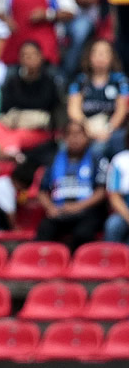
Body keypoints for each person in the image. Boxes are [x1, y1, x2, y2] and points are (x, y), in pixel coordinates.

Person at [37, 120, 108, 250]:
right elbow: (42, 191)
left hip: (87, 211)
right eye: (70, 134)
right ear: (64, 138)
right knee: (44, 231)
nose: (74, 138)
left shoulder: (97, 159)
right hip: (59, 211)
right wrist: (50, 208)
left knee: (83, 234)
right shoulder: (53, 159)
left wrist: (77, 207)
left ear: (87, 137)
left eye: (79, 134)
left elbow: (101, 192)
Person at [0, 41, 60, 160]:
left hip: (37, 130)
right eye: (25, 55)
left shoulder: (49, 82)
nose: (29, 58)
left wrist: (20, 115)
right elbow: (6, 107)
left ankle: (5, 152)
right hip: (12, 126)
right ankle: (11, 152)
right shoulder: (12, 82)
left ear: (41, 57)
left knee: (6, 142)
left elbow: (46, 106)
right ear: (19, 59)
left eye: (32, 54)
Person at [67, 39, 129, 159]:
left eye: (105, 53)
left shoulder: (120, 81)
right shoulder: (80, 81)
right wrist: (88, 129)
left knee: (103, 147)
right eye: (96, 53)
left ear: (112, 57)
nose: (100, 57)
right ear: (89, 57)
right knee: (68, 144)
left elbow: (122, 110)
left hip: (111, 131)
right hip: (86, 129)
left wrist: (108, 129)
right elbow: (73, 110)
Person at [105, 131, 129, 242]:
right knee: (113, 224)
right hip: (125, 208)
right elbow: (114, 196)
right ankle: (114, 258)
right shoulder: (120, 160)